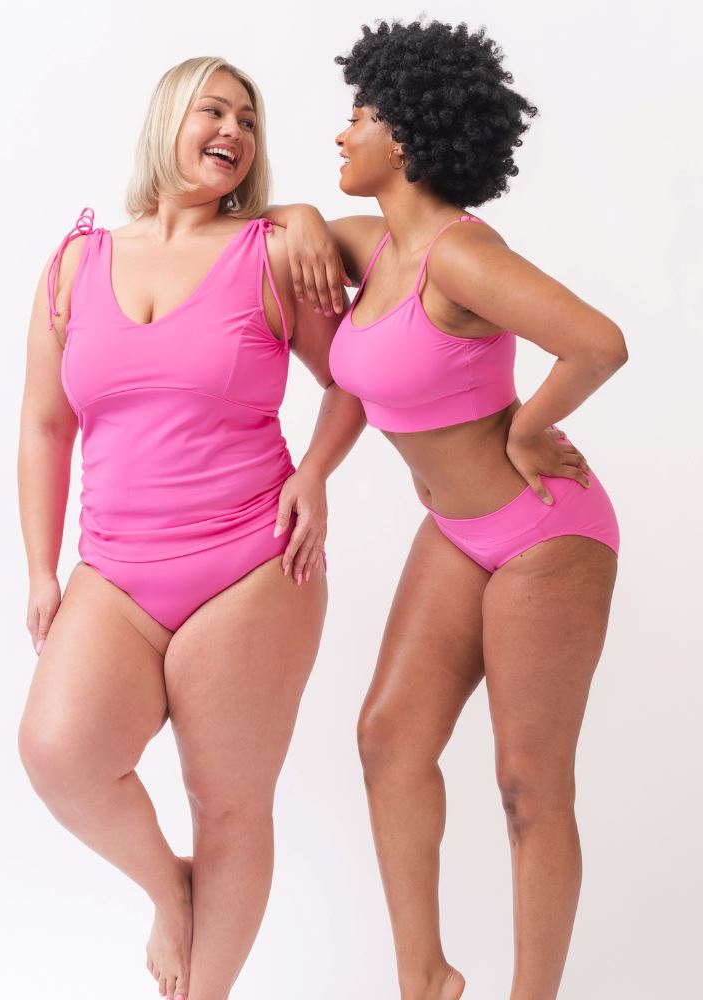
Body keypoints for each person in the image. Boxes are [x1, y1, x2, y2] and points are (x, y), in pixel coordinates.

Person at [270, 18, 627, 1000]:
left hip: (543, 535)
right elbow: (274, 223)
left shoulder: (461, 260)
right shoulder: (373, 246)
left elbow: (597, 342)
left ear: (414, 134)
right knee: (388, 738)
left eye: (361, 116)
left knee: (525, 785)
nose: (342, 134)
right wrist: (299, 211)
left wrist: (525, 430)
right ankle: (424, 980)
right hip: (457, 533)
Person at [17, 56, 362, 1000]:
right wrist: (43, 571)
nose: (234, 132)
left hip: (253, 562)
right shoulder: (76, 263)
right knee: (59, 754)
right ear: (167, 120)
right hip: (114, 574)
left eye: (248, 121)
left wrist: (318, 475)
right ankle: (173, 892)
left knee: (229, 807)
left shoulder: (272, 252)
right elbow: (47, 425)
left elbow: (354, 380)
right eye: (213, 110)